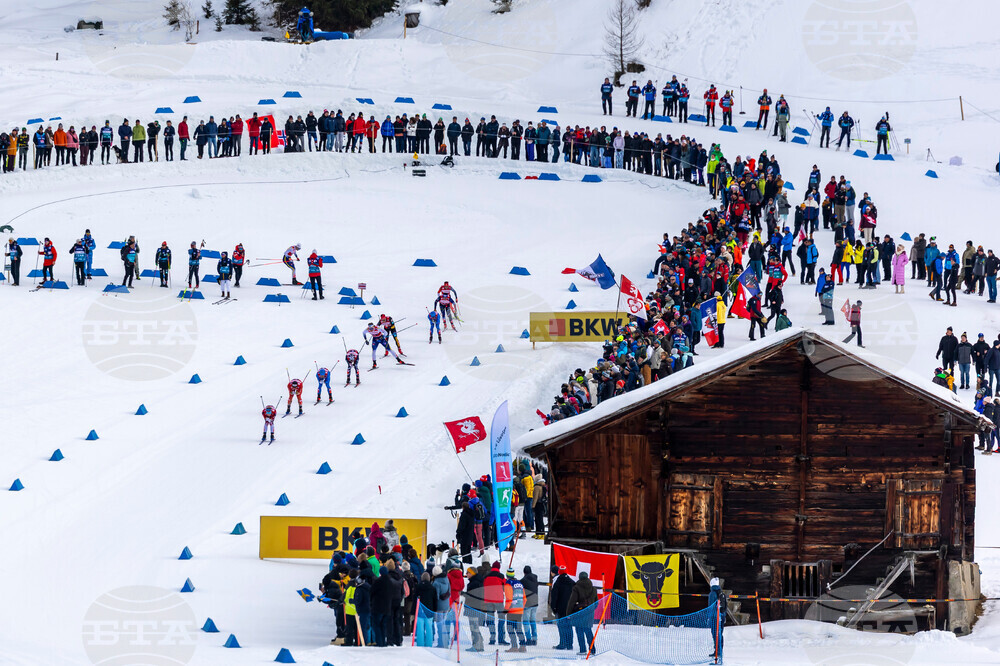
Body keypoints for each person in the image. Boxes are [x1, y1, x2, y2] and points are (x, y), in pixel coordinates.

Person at [566, 571, 598, 655]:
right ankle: (592, 649)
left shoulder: (576, 588)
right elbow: (596, 603)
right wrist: (590, 610)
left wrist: (568, 614)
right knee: (588, 631)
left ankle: (582, 650)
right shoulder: (593, 589)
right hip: (589, 614)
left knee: (579, 631)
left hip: (579, 614)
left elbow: (571, 602)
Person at [550, 565, 574, 650]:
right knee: (569, 626)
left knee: (561, 626)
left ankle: (562, 643)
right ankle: (569, 644)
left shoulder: (557, 582)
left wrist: (553, 608)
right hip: (569, 609)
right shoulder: (572, 582)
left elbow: (554, 596)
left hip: (560, 609)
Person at [708, 577, 726, 660]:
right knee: (720, 633)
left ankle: (717, 651)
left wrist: (709, 617)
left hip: (715, 617)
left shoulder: (712, 593)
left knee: (715, 633)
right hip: (721, 617)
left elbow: (711, 607)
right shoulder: (721, 593)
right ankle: (720, 650)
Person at [521, 566, 538, 647]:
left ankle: (528, 639)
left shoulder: (523, 580)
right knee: (533, 621)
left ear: (524, 572)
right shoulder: (535, 578)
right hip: (535, 603)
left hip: (527, 603)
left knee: (526, 621)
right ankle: (535, 639)